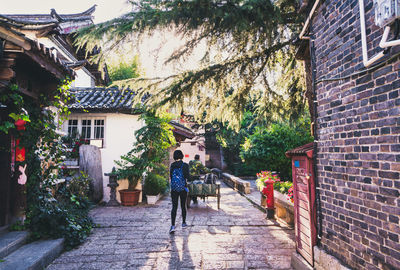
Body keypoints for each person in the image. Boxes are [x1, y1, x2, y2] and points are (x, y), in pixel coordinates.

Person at [169, 150, 190, 234]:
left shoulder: (172, 165)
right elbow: (187, 176)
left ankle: (173, 225)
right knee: (183, 205)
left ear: (174, 156)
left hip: (174, 189)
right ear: (182, 156)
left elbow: (171, 176)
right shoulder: (185, 165)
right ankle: (183, 223)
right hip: (183, 188)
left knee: (174, 207)